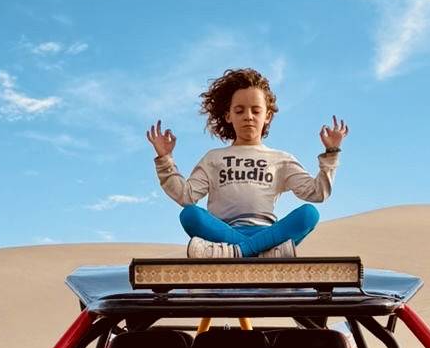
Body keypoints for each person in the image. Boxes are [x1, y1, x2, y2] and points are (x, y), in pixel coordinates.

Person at [147, 66, 345, 258]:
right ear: (228, 116)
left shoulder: (280, 159)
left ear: (267, 116)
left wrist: (332, 152)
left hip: (268, 235)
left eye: (256, 110)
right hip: (222, 234)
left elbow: (317, 193)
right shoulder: (213, 158)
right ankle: (260, 254)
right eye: (240, 110)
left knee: (309, 214)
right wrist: (165, 159)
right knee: (190, 215)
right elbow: (186, 196)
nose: (248, 117)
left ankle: (239, 253)